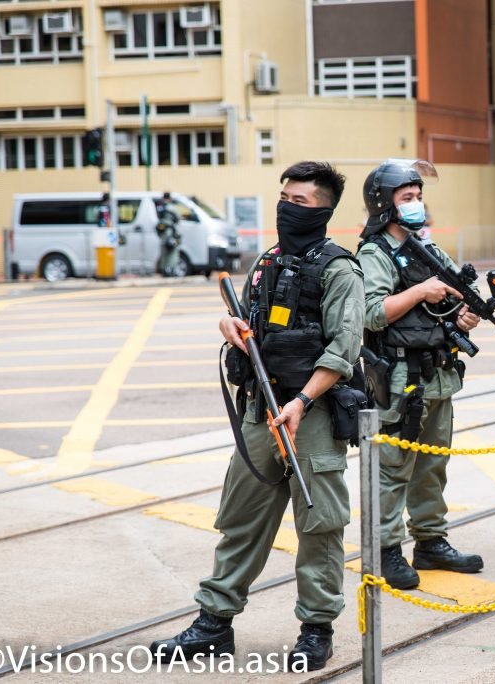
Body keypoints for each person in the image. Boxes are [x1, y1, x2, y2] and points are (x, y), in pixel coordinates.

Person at [149, 162, 364, 672]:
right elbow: (249, 322)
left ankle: (316, 629)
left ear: (325, 211)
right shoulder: (267, 263)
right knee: (241, 521)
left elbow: (344, 348)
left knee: (319, 526)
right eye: (284, 196)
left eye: (301, 201)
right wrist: (231, 325)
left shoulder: (339, 269)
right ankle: (214, 623)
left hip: (306, 415)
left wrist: (302, 402)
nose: (288, 206)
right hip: (259, 412)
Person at [356, 158, 483, 591]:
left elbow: (453, 295)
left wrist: (464, 314)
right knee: (393, 469)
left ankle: (430, 541)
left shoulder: (424, 246)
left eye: (419, 196)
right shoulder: (374, 254)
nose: (416, 204)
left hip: (437, 375)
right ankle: (386, 550)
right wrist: (419, 291)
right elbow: (372, 314)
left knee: (432, 465)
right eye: (407, 197)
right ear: (384, 204)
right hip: (397, 379)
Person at [155, 192, 182, 277]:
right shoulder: (171, 207)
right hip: (171, 232)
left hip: (163, 233)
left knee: (163, 251)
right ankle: (172, 269)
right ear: (170, 198)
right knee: (173, 251)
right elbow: (178, 218)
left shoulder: (160, 207)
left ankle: (164, 269)